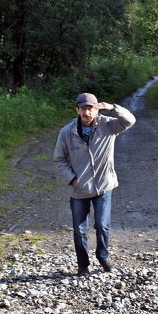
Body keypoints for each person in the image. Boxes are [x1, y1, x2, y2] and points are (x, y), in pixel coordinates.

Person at [53, 92, 136, 275]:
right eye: (83, 108)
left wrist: (113, 108)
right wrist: (72, 179)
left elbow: (130, 120)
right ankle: (83, 265)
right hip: (79, 189)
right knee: (80, 230)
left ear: (96, 109)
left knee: (102, 225)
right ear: (77, 110)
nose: (87, 112)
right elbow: (59, 159)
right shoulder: (67, 132)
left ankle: (103, 256)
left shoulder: (109, 125)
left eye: (90, 108)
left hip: (103, 186)